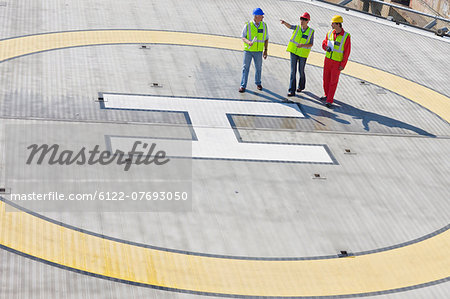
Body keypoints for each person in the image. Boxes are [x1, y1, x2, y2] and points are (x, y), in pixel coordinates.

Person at [280, 12, 314, 97]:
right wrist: (284, 23)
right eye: (301, 19)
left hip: (303, 54)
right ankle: (292, 90)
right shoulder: (297, 28)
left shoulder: (311, 31)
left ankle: (301, 86)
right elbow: (290, 26)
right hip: (294, 52)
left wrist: (303, 45)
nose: (302, 21)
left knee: (301, 71)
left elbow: (311, 44)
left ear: (308, 21)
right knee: (293, 71)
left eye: (304, 19)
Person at [321, 15, 351, 108]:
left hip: (337, 62)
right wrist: (325, 47)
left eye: (333, 23)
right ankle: (326, 95)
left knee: (333, 81)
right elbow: (324, 43)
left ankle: (329, 100)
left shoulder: (346, 36)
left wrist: (343, 64)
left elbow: (347, 52)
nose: (331, 25)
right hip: (328, 60)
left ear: (338, 24)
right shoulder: (330, 33)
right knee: (326, 79)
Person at [239, 8, 269, 93]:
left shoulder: (264, 25)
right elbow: (242, 36)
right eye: (261, 16)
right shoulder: (248, 25)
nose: (263, 17)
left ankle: (258, 83)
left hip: (258, 51)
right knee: (245, 68)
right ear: (256, 16)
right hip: (248, 51)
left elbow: (266, 38)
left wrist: (265, 50)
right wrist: (248, 42)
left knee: (258, 68)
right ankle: (243, 85)